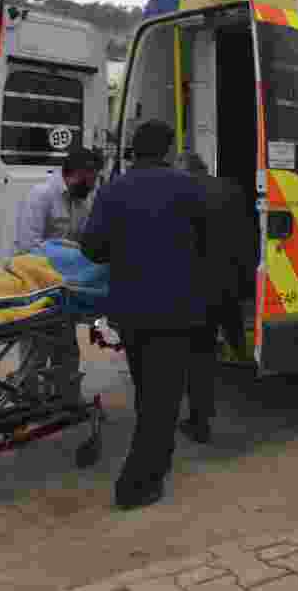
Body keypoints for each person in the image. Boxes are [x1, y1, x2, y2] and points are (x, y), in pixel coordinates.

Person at [80, 121, 209, 510]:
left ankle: (153, 466)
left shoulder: (112, 190)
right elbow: (207, 242)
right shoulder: (188, 188)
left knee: (148, 392)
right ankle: (136, 485)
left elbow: (93, 248)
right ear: (168, 150)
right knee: (162, 401)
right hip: (176, 311)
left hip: (131, 312)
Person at [10, 147, 104, 406]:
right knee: (35, 351)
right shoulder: (41, 196)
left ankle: (66, 399)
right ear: (78, 174)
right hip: (36, 286)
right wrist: (67, 258)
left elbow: (84, 246)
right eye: (92, 178)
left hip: (64, 290)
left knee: (67, 349)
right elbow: (29, 248)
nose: (94, 184)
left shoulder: (82, 202)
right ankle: (27, 401)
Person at [173, 151, 250, 444]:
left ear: (186, 170)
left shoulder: (184, 194)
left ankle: (200, 421)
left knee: (199, 356)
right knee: (235, 336)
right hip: (231, 282)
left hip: (199, 288)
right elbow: (246, 233)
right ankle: (247, 375)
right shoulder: (231, 188)